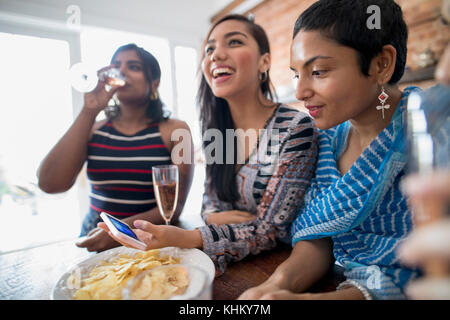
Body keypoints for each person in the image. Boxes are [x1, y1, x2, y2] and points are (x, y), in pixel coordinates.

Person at [99, 14, 318, 275]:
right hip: (233, 266)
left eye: (234, 42)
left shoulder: (295, 128)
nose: (216, 55)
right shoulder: (217, 133)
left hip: (281, 269)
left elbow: (270, 230)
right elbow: (210, 204)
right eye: (209, 49)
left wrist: (188, 237)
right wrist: (213, 217)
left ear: (264, 61)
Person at [239, 0, 422, 300]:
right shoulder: (326, 142)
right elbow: (319, 234)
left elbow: (431, 269)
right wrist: (275, 286)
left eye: (319, 71)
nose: (300, 92)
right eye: (298, 74)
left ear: (381, 64)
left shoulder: (432, 134)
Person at [37, 43, 194, 252]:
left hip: (147, 243)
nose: (122, 71)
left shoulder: (176, 130)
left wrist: (118, 232)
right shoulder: (94, 129)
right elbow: (50, 183)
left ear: (155, 83)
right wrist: (89, 110)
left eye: (134, 67)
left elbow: (173, 208)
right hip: (94, 242)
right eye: (117, 66)